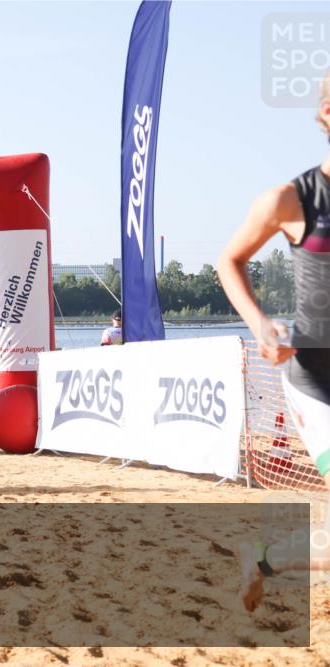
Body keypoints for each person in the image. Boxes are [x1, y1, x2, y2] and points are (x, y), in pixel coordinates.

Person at [216, 68, 330, 613]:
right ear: (326, 115)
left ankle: (261, 560)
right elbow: (229, 260)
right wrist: (262, 325)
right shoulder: (291, 200)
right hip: (315, 381)